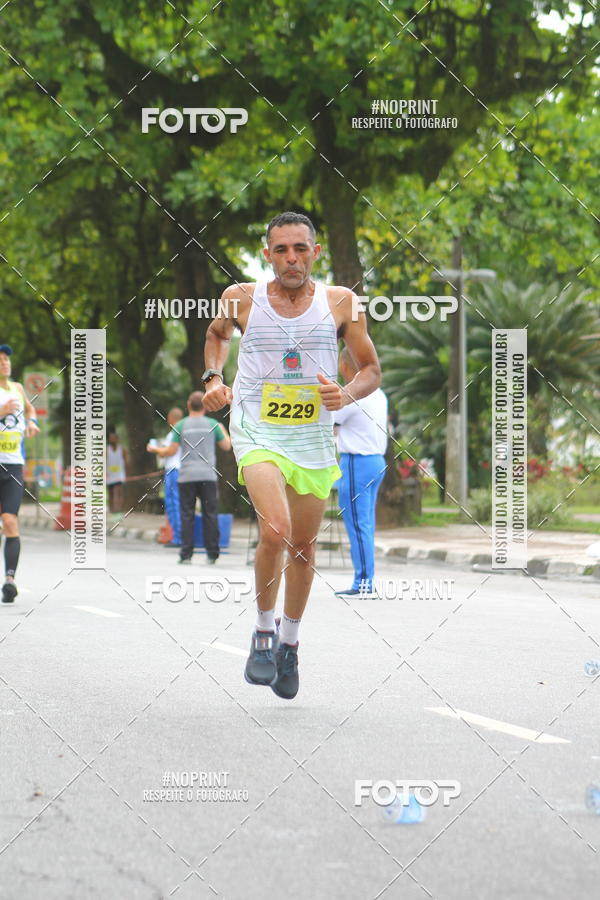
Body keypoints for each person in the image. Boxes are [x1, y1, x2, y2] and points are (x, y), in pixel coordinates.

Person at [203, 211, 381, 699]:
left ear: (315, 252)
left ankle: (290, 643)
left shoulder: (341, 302)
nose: (291, 258)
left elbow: (370, 369)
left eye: (300, 248)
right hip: (256, 430)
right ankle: (263, 631)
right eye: (281, 249)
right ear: (268, 255)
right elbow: (217, 335)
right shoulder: (241, 297)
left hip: (312, 438)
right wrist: (214, 378)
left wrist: (346, 393)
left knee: (303, 547)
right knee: (275, 530)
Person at [148, 392, 231, 565]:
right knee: (210, 514)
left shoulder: (181, 425)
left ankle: (186, 554)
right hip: (208, 475)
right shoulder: (213, 424)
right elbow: (226, 445)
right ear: (205, 405)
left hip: (186, 476)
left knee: (187, 514)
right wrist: (221, 429)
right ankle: (212, 554)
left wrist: (155, 450)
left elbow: (171, 451)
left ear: (188, 405)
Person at [333, 347, 388, 597]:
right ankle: (366, 578)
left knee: (357, 524)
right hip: (376, 461)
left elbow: (330, 423)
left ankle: (363, 582)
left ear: (345, 366)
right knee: (366, 523)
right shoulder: (379, 394)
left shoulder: (352, 395)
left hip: (357, 462)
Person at [0, 344, 40, 604]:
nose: (5, 363)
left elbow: (29, 409)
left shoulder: (17, 388)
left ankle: (9, 580)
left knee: (10, 521)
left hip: (14, 465)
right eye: (0, 360)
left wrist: (32, 422)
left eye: (6, 359)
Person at [148, 407, 183, 547]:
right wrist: (160, 450)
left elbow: (169, 451)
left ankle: (178, 538)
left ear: (170, 418)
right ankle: (176, 536)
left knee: (173, 503)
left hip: (174, 470)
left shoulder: (175, 432)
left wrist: (154, 449)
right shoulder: (179, 432)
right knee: (173, 503)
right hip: (176, 470)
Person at [106, 427, 128, 514]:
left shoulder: (122, 449)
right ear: (109, 440)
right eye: (111, 438)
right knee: (111, 492)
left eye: (114, 438)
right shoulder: (106, 450)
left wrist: (126, 472)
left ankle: (118, 509)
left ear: (117, 439)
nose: (113, 440)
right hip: (110, 474)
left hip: (119, 474)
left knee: (118, 491)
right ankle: (112, 509)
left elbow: (126, 461)